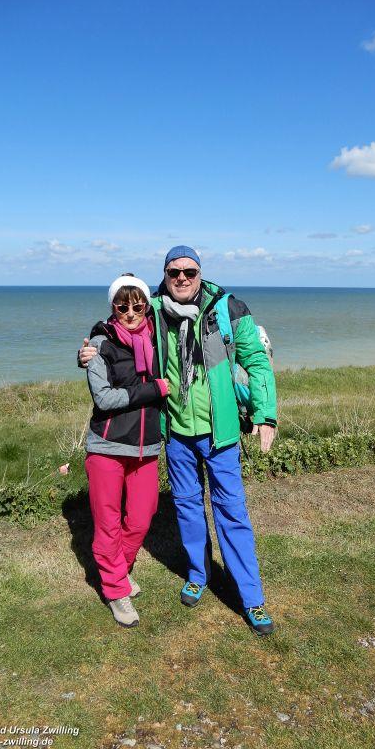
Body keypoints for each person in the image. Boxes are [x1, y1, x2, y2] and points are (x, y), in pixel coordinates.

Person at [80, 247, 277, 636]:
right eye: (174, 272)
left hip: (220, 433)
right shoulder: (153, 310)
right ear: (165, 275)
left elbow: (256, 360)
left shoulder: (227, 309)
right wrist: (87, 351)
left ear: (200, 273)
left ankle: (251, 598)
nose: (182, 278)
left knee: (231, 512)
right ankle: (198, 575)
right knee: (187, 510)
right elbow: (116, 326)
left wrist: (265, 413)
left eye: (189, 271)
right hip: (177, 435)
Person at [83, 274, 169, 628]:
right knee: (107, 524)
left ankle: (118, 567)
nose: (130, 313)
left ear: (147, 306)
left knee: (141, 517)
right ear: (113, 308)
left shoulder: (159, 339)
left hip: (146, 446)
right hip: (106, 446)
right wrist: (154, 389)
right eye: (122, 307)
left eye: (137, 306)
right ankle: (117, 589)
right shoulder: (100, 345)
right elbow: (104, 399)